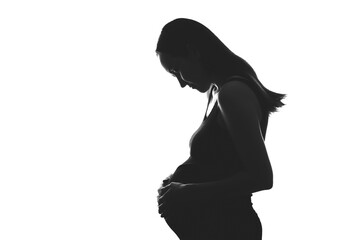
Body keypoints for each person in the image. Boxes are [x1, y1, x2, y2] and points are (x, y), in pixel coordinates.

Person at [156, 18, 285, 240]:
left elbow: (262, 177)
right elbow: (217, 163)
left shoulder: (232, 93)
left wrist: (187, 192)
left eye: (177, 70)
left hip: (231, 228)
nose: (181, 83)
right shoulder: (216, 92)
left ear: (193, 51)